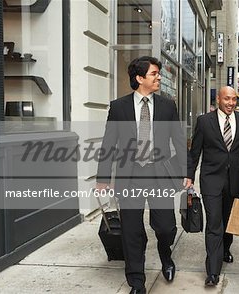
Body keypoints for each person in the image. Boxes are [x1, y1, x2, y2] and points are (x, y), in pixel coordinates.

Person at [96, 56, 192, 294]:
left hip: (159, 175)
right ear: (139, 78)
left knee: (166, 227)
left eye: (158, 73)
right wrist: (103, 178)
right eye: (154, 73)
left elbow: (179, 142)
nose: (159, 77)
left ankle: (165, 255)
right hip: (130, 176)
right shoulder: (118, 107)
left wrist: (186, 172)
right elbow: (109, 144)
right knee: (131, 231)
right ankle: (136, 282)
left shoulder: (168, 106)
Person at [188, 86, 239, 286]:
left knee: (228, 221)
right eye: (227, 99)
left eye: (234, 99)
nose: (231, 103)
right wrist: (189, 176)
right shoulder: (204, 121)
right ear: (218, 100)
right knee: (214, 223)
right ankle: (213, 271)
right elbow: (195, 151)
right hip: (211, 180)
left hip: (234, 180)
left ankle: (225, 249)